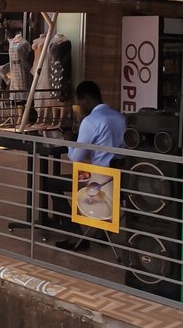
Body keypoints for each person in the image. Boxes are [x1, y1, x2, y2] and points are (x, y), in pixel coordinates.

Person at [48, 81, 126, 251]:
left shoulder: (90, 122)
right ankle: (101, 232)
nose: (79, 106)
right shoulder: (120, 117)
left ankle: (75, 234)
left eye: (79, 102)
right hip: (120, 180)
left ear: (86, 100)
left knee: (51, 184)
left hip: (98, 181)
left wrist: (69, 142)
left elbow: (76, 158)